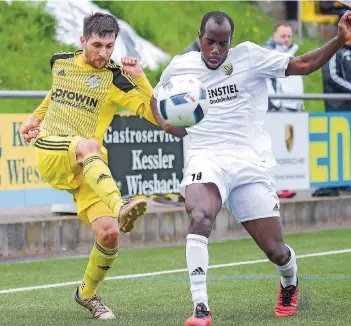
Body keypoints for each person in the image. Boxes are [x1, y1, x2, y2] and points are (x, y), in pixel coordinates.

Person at [151, 10, 351, 326]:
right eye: (209, 42)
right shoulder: (181, 65)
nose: (215, 50)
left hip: (248, 161)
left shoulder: (250, 57)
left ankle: (289, 279)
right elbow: (157, 96)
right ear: (200, 38)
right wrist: (166, 121)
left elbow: (303, 65)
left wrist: (339, 39)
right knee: (199, 214)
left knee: (276, 251)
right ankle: (201, 309)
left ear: (231, 41)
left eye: (222, 43)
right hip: (206, 157)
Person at [22, 12, 158, 320]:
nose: (103, 53)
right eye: (97, 45)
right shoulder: (60, 62)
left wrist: (141, 79)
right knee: (90, 146)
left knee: (109, 233)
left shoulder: (115, 78)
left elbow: (155, 115)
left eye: (109, 46)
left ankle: (87, 294)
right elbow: (56, 92)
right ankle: (120, 204)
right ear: (83, 40)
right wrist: (36, 118)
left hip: (88, 168)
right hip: (52, 148)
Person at [263, 23, 304, 113]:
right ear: (274, 35)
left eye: (289, 36)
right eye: (283, 36)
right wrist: (276, 104)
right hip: (280, 108)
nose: (287, 39)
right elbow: (265, 82)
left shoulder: (293, 54)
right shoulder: (268, 55)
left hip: (296, 107)